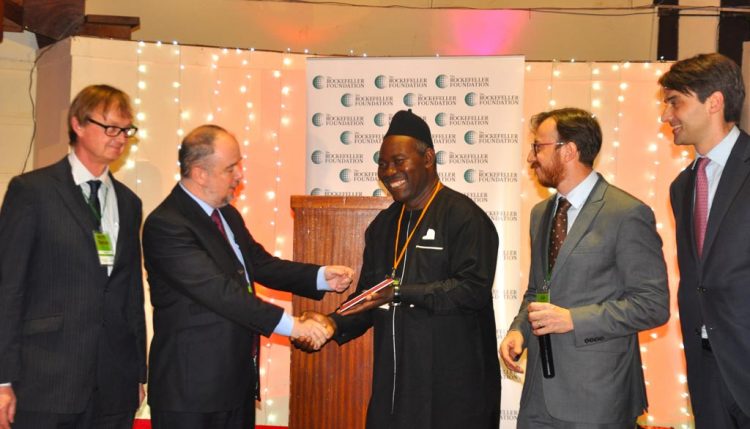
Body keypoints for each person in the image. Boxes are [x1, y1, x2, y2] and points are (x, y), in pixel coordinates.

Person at [296, 109, 501, 429]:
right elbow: (369, 297)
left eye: (399, 161)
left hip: (455, 396)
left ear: (429, 158)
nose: (389, 171)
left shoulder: (464, 217)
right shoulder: (383, 225)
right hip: (395, 396)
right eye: (382, 163)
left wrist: (400, 290)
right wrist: (333, 324)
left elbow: (471, 290)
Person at [142, 124, 354, 429]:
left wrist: (320, 277)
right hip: (190, 394)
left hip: (234, 386)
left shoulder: (226, 213)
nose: (240, 175)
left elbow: (260, 264)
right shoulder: (167, 225)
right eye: (231, 168)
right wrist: (294, 326)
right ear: (200, 173)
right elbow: (222, 293)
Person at [499, 107, 669, 428]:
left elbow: (652, 307)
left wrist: (573, 320)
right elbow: (538, 290)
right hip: (538, 394)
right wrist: (518, 330)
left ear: (570, 151)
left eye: (539, 147)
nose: (531, 157)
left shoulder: (627, 213)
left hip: (598, 396)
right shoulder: (541, 213)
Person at [0, 84, 147, 429]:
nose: (119, 137)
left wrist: (138, 371)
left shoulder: (129, 202)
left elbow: (130, 292)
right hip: (46, 379)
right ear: (78, 125)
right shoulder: (31, 191)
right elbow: (8, 289)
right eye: (109, 127)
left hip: (114, 381)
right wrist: (2, 380)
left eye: (126, 130)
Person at [660, 53, 750, 428]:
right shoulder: (682, 187)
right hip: (705, 367)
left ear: (714, 102)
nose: (666, 116)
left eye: (675, 101)